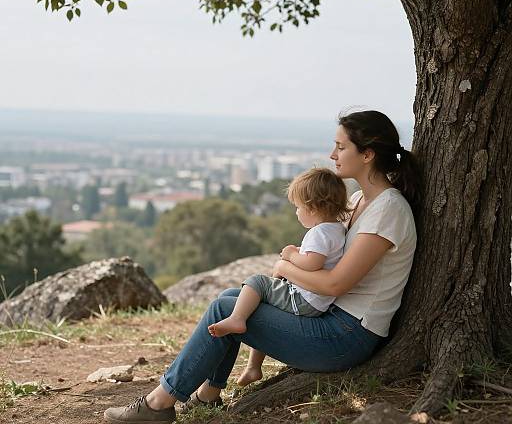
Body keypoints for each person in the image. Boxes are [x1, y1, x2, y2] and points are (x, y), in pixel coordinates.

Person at [104, 110, 420, 424]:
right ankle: (208, 395)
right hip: (333, 320)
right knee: (230, 299)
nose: (332, 154)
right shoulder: (357, 202)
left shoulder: (387, 210)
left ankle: (158, 404)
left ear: (366, 154)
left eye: (341, 147)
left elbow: (336, 284)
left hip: (347, 336)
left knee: (223, 309)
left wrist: (284, 266)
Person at [207, 167, 349, 387]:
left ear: (312, 208)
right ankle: (253, 367)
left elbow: (313, 263)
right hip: (316, 302)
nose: (296, 212)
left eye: (298, 207)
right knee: (260, 304)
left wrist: (291, 255)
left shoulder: (318, 233)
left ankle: (237, 319)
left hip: (304, 299)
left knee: (257, 282)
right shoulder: (336, 229)